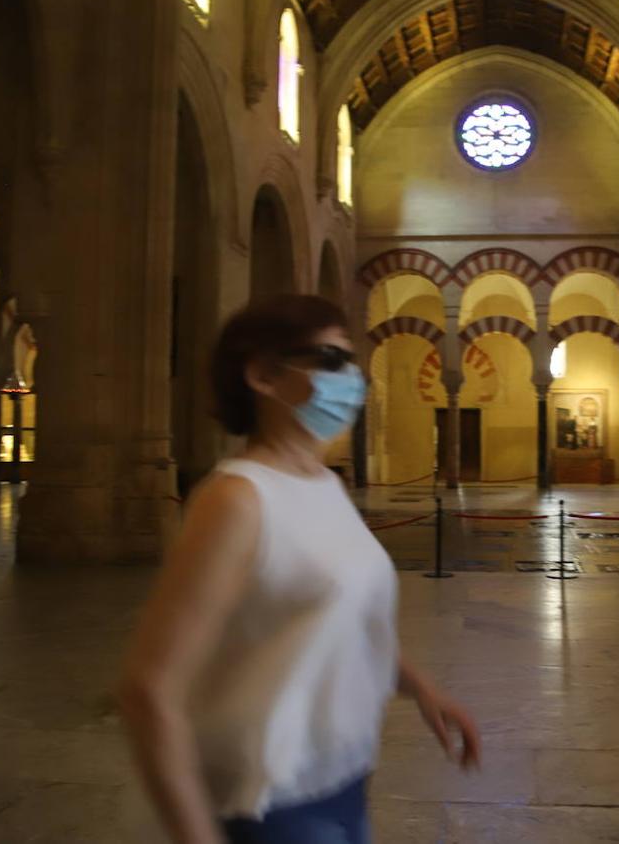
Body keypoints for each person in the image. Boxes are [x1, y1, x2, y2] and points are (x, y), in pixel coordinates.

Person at [118, 294, 480, 844]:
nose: (352, 379)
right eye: (331, 361)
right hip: (269, 801)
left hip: (342, 778)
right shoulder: (238, 499)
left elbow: (340, 617)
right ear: (264, 375)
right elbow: (150, 688)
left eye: (352, 362)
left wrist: (422, 688)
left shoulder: (324, 484)